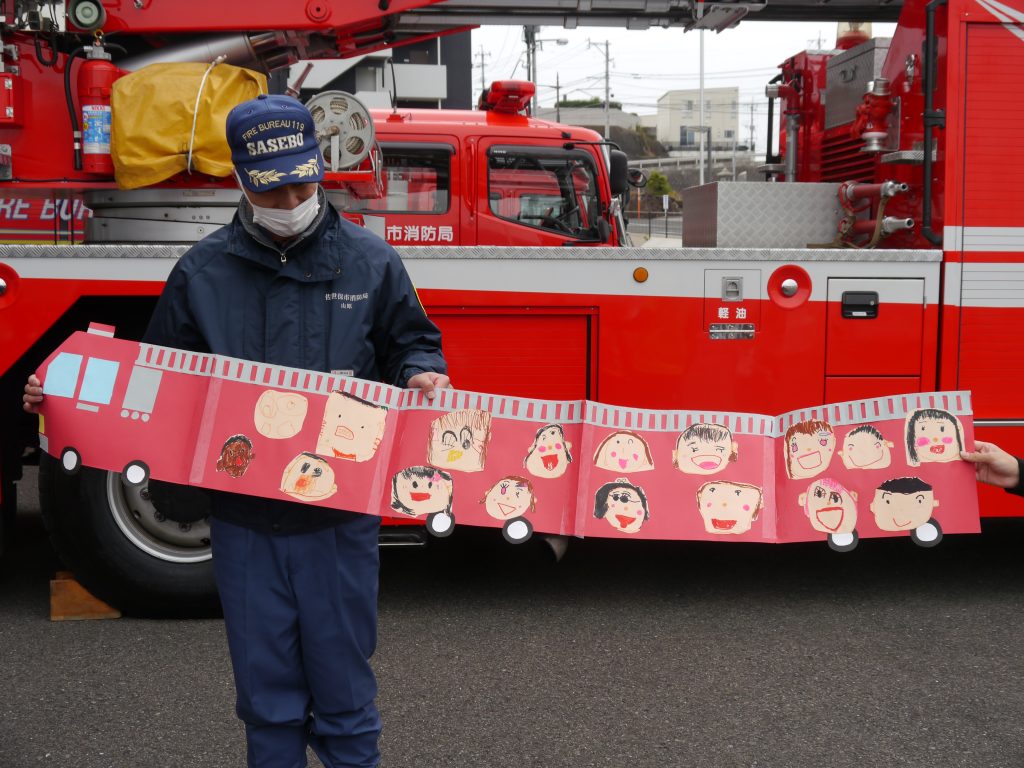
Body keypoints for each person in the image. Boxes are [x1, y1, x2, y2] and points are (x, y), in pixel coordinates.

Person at [25, 93, 449, 768]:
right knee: (266, 697)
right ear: (242, 180)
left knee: (344, 693)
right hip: (244, 523)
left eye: (302, 185)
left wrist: (424, 372)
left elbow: (411, 342)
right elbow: (154, 386)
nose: (291, 203)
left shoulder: (372, 261)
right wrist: (64, 395)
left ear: (317, 168)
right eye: (272, 190)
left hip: (340, 517)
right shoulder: (202, 272)